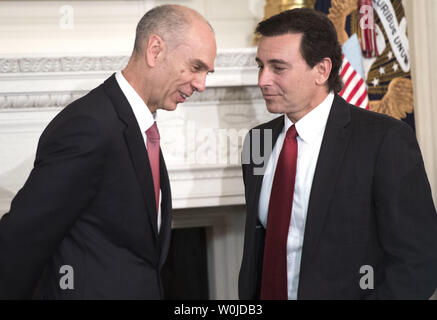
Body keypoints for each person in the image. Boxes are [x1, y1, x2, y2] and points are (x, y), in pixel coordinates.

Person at [0, 4, 216, 299]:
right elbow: (21, 240)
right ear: (155, 50)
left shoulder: (138, 125)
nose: (202, 84)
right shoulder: (89, 126)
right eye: (195, 67)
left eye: (207, 72)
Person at [239, 8, 437, 300]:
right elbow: (259, 246)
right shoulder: (257, 141)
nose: (262, 80)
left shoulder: (384, 140)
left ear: (322, 70)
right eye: (261, 66)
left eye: (278, 67)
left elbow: (420, 261)